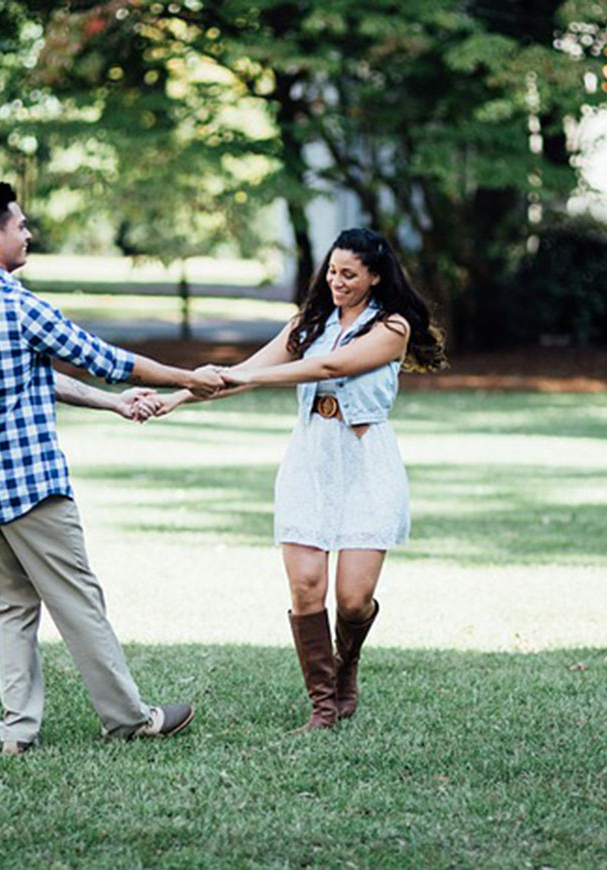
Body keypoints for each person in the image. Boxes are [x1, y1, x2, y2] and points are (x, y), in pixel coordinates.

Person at [0, 181, 224, 752]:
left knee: (12, 608)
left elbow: (33, 376)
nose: (27, 234)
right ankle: (129, 718)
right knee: (78, 602)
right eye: (20, 226)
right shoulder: (16, 304)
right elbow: (106, 359)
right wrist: (190, 378)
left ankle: (18, 732)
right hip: (29, 487)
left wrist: (112, 405)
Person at [157, 228, 446, 731]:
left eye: (349, 274)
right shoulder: (309, 322)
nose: (336, 281)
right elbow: (241, 372)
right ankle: (324, 706)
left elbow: (331, 365)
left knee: (353, 599)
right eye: (332, 271)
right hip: (311, 456)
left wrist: (250, 377)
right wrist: (178, 396)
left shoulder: (392, 326)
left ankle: (346, 663)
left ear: (375, 277)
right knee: (306, 585)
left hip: (364, 459)